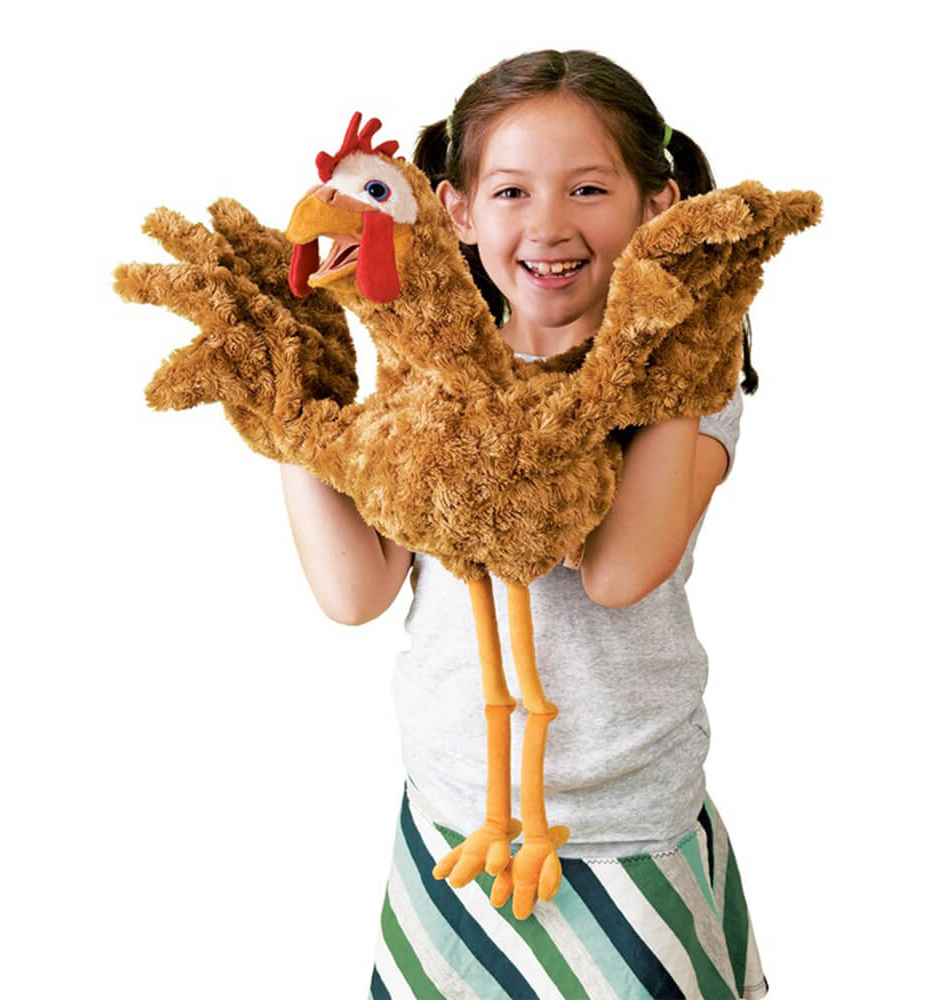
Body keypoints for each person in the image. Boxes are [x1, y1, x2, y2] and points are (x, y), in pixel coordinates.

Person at [280, 49, 769, 1000]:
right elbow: (355, 590)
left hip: (624, 823)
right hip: (454, 812)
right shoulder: (429, 384)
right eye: (511, 191)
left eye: (588, 188)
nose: (549, 225)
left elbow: (618, 572)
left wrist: (682, 332)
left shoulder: (688, 394)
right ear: (457, 211)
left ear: (657, 208)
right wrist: (293, 400)